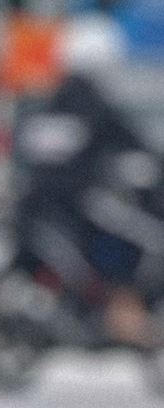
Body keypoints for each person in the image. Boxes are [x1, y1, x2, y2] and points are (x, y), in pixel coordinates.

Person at [15, 12, 162, 347]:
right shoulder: (94, 103)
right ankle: (125, 311)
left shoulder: (47, 101)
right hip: (78, 204)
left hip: (36, 201)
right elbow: (130, 144)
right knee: (142, 237)